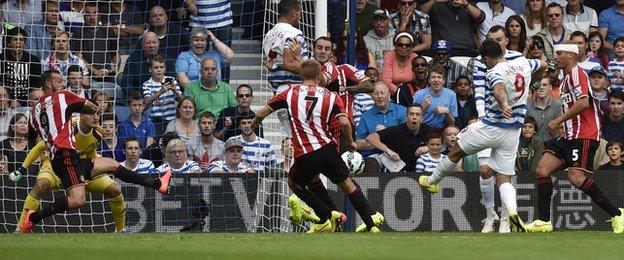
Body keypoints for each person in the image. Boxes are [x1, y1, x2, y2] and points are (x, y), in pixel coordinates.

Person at [15, 70, 172, 233]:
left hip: (71, 160)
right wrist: (88, 107)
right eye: (59, 81)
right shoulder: (63, 96)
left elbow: (32, 137)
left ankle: (158, 184)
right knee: (77, 200)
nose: (63, 83)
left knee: (111, 166)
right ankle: (32, 218)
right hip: (65, 157)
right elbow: (90, 106)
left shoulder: (34, 112)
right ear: (49, 84)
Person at [419, 39, 545, 233]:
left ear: (486, 58)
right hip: (513, 132)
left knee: (456, 149)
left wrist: (504, 105)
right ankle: (512, 213)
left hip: (491, 126)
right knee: (504, 177)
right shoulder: (523, 63)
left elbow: (499, 89)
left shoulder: (494, 71)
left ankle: (432, 181)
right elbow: (543, 64)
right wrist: (531, 83)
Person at [252, 59, 382, 233]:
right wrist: (350, 141)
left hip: (306, 153)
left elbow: (261, 112)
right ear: (319, 76)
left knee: (294, 183)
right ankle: (371, 222)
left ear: (301, 75)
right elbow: (344, 122)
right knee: (347, 184)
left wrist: (253, 125)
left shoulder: (290, 93)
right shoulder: (332, 96)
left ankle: (328, 214)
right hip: (328, 149)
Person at [525, 43, 624, 233]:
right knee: (542, 169)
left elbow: (583, 102)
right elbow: (573, 106)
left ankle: (617, 214)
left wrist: (557, 120)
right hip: (570, 134)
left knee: (575, 177)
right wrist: (564, 125)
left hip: (585, 133)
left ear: (571, 55)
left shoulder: (578, 73)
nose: (556, 56)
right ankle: (543, 221)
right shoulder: (565, 79)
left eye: (560, 53)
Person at [263, 0, 311, 137]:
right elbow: (288, 64)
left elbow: (272, 64)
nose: (300, 17)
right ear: (293, 13)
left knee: (293, 138)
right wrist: (312, 68)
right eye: (299, 13)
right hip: (294, 91)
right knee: (302, 139)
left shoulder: (269, 35)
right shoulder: (292, 33)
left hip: (279, 92)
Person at [70, 2, 120, 98]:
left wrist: (115, 67)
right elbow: (78, 58)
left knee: (120, 88)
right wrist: (95, 71)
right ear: (84, 15)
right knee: (97, 89)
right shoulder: (78, 33)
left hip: (109, 75)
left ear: (99, 15)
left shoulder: (108, 31)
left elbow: (115, 54)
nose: (92, 17)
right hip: (89, 77)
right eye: (88, 14)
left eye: (95, 13)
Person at [355, 82, 407, 172]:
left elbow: (407, 137)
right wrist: (377, 142)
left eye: (382, 93)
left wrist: (387, 134)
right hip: (375, 155)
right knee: (371, 162)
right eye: (376, 93)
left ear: (389, 94)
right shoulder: (366, 116)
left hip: (398, 153)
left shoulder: (402, 111)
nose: (379, 96)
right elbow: (358, 144)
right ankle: (371, 186)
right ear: (371, 96)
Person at [421, 0, 486, 57]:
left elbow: (481, 17)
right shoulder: (437, 5)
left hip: (466, 50)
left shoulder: (468, 4)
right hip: (442, 50)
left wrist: (466, 3)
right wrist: (434, 1)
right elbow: (421, 13)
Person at [142, 55, 184, 135]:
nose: (159, 70)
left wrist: (175, 91)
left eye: (161, 67)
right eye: (156, 67)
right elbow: (146, 103)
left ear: (165, 69)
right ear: (150, 70)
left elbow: (182, 100)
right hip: (155, 122)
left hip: (172, 121)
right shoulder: (146, 84)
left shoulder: (172, 80)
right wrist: (160, 92)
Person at [0, 26, 41, 106]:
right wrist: (9, 101)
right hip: (4, 102)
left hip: (28, 103)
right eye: (15, 39)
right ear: (9, 43)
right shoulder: (1, 59)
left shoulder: (34, 61)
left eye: (21, 40)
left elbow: (35, 86)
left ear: (24, 43)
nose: (18, 42)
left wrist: (21, 102)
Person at [412, 67, 458, 131]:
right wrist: (422, 107)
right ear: (429, 80)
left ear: (443, 80)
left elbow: (452, 124)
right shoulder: (419, 95)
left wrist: (447, 112)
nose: (436, 80)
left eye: (439, 77)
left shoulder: (451, 94)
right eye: (433, 77)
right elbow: (412, 120)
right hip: (422, 129)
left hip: (442, 130)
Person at [527, 77, 563, 142]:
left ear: (550, 87)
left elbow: (562, 128)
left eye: (545, 85)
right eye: (538, 85)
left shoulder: (558, 105)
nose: (541, 88)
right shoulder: (527, 105)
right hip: (532, 145)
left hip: (553, 146)